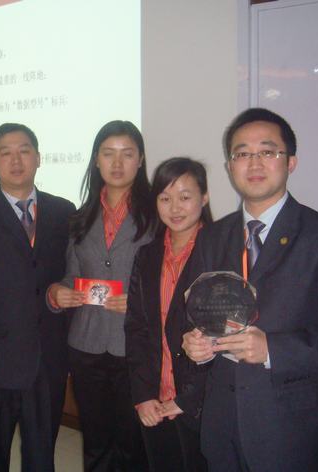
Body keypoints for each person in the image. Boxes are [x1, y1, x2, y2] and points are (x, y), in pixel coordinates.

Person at [182, 108, 318, 471]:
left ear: (291, 162)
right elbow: (197, 314)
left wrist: (273, 350)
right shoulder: (212, 237)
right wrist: (198, 346)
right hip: (224, 423)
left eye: (267, 151)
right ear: (230, 166)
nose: (254, 162)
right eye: (242, 153)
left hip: (293, 429)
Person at [0, 123, 75, 471]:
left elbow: (72, 274)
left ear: (38, 158)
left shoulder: (64, 211)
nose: (16, 160)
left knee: (42, 457)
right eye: (5, 153)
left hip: (47, 360)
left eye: (24, 151)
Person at [46, 120, 152, 471]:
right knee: (95, 441)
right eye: (108, 153)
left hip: (135, 347)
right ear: (96, 160)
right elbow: (71, 275)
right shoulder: (80, 217)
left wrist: (141, 304)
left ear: (141, 160)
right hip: (86, 345)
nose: (117, 163)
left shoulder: (157, 215)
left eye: (127, 154)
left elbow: (170, 281)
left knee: (134, 444)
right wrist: (57, 293)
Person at [125, 157, 211, 471]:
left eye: (185, 197)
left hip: (202, 403)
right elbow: (136, 327)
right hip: (155, 399)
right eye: (165, 198)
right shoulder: (147, 255)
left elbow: (226, 336)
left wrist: (186, 400)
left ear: (204, 197)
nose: (175, 208)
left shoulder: (219, 253)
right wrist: (143, 394)